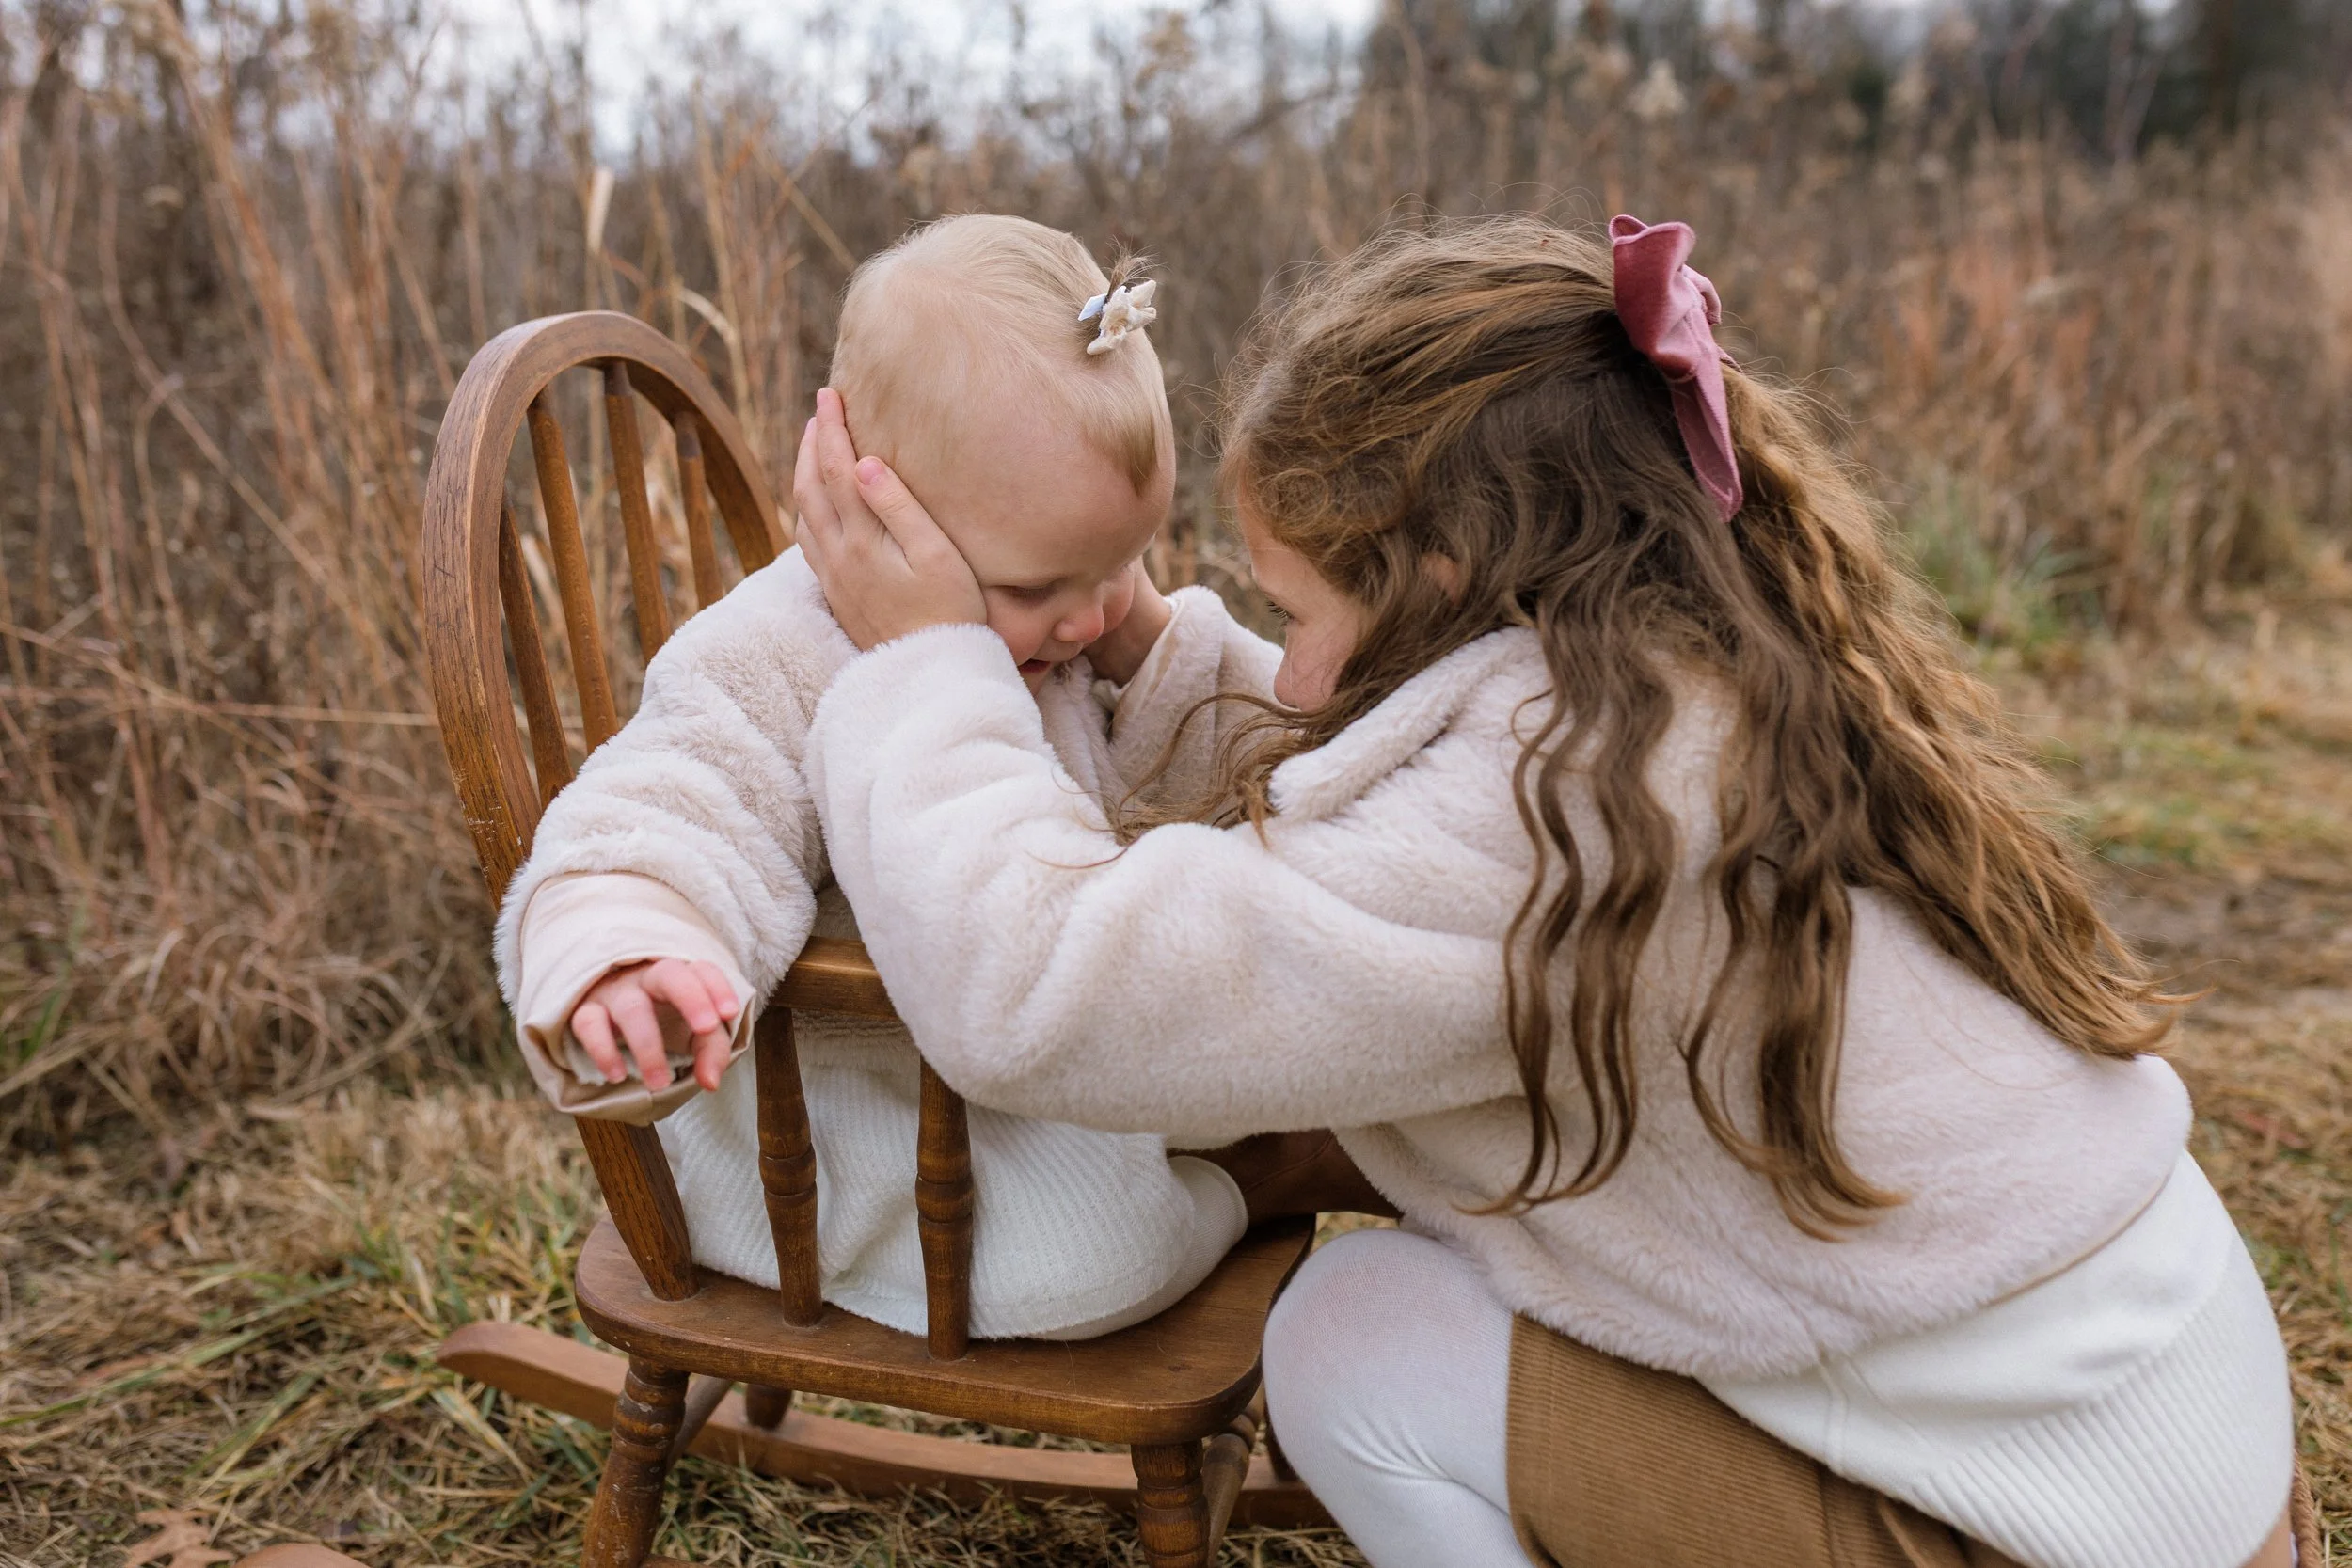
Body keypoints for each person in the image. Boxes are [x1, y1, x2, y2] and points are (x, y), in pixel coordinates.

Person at [789, 215, 2311, 1567]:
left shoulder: (1540, 826)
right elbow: (1367, 778)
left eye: (1297, 613)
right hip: (2165, 1470)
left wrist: (928, 663)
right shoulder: (1671, 691)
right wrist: (1150, 651)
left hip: (2025, 1525)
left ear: (1444, 580)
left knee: (1353, 1338)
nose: (1298, 672)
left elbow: (1041, 993)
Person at [497, 213, 1301, 1340]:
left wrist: (1152, 637)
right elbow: (671, 800)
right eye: (1044, 584)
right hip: (864, 1141)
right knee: (1091, 1263)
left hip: (1016, 1082)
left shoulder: (1057, 627)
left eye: (1121, 561)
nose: (1090, 610)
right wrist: (627, 946)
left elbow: (1260, 753)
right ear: (880, 512)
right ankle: (1236, 1194)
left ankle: (1226, 1165)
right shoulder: (785, 646)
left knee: (1228, 1065)